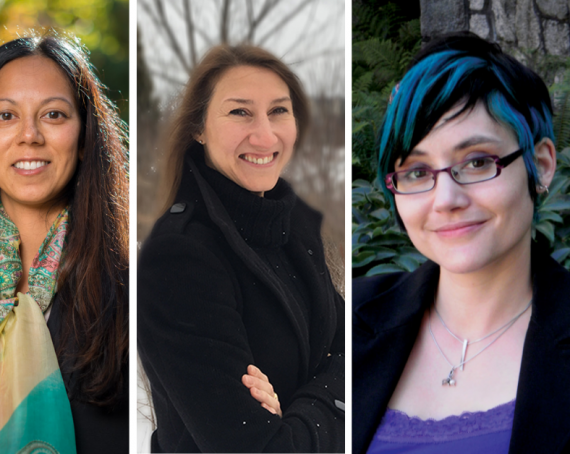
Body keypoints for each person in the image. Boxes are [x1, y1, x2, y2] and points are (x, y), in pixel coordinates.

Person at [353, 32, 570, 453]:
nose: (446, 199)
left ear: (541, 166)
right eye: (416, 171)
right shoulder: (344, 323)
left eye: (476, 162)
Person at [0, 34, 128, 454]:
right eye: (5, 117)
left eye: (53, 115)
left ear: (85, 136)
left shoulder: (130, 290)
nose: (29, 135)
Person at [137, 44, 345, 453]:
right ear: (198, 127)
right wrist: (334, 397)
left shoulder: (295, 222)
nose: (265, 135)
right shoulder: (179, 259)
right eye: (240, 112)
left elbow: (354, 349)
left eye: (279, 111)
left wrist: (297, 408)